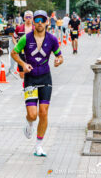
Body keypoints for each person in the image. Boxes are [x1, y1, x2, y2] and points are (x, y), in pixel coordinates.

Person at [11, 10, 63, 157]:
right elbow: (14, 53)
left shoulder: (52, 39)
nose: (39, 22)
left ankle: (39, 146)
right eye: (37, 19)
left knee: (44, 113)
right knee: (33, 115)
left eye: (42, 19)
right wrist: (22, 63)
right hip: (31, 79)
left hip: (45, 78)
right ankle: (29, 123)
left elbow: (60, 56)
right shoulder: (25, 39)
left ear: (47, 21)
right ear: (33, 22)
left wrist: (59, 61)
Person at [12, 10, 34, 80]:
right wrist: (16, 44)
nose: (28, 19)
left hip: (32, 53)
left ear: (32, 18)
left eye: (30, 17)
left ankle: (30, 86)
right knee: (22, 74)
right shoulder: (19, 28)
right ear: (24, 18)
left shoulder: (35, 28)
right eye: (27, 17)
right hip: (21, 53)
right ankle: (25, 86)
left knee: (31, 71)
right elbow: (13, 37)